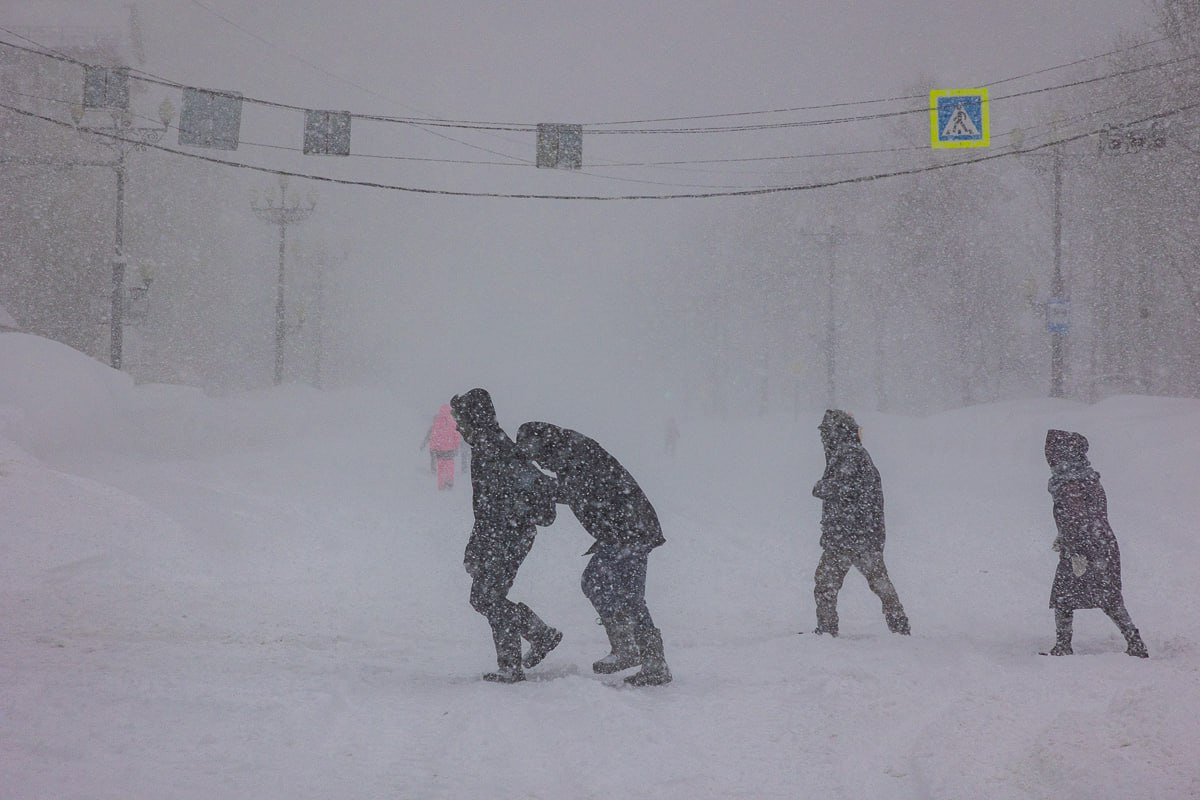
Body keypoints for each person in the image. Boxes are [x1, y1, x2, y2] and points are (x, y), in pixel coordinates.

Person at [516, 421, 672, 686]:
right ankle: (642, 656)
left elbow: (576, 492)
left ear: (543, 445)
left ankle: (637, 653)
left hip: (629, 529)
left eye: (538, 456)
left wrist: (535, 486)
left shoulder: (575, 454)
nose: (540, 463)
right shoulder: (569, 451)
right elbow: (579, 492)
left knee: (607, 585)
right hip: (627, 528)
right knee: (619, 591)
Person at [450, 389, 563, 682]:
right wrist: (476, 546)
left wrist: (498, 531)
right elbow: (489, 508)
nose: (458, 427)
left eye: (460, 419)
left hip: (509, 535)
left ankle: (512, 664)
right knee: (484, 597)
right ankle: (541, 635)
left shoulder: (495, 449)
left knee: (488, 597)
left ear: (474, 418)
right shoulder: (488, 446)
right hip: (501, 535)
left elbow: (523, 490)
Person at [1043, 429, 1148, 658]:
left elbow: (1076, 517)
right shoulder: (1086, 477)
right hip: (1101, 543)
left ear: (1062, 454)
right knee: (1107, 596)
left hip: (1084, 546)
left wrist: (1072, 545)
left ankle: (1063, 645)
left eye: (1051, 453)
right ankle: (1135, 641)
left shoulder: (1070, 482)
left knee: (1064, 596)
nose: (1049, 458)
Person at [811, 409, 910, 637]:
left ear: (835, 433)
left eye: (825, 432)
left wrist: (821, 488)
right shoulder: (853, 453)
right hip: (861, 535)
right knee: (879, 583)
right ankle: (899, 626)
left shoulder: (849, 455)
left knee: (827, 584)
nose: (823, 438)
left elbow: (843, 488)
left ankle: (827, 630)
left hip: (848, 535)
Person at [423, 404, 461, 490]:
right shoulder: (453, 423)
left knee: (441, 467)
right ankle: (449, 481)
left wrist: (433, 447)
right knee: (450, 465)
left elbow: (434, 437)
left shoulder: (437, 423)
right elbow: (457, 436)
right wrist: (456, 446)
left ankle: (441, 484)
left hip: (439, 449)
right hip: (450, 449)